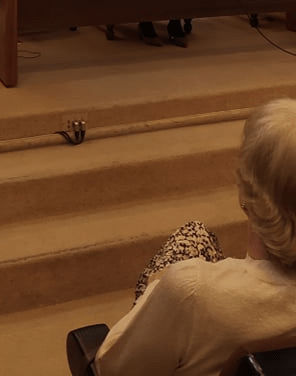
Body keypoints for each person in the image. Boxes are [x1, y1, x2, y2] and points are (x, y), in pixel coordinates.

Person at [95, 98, 296, 376]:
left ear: (248, 194)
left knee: (189, 238)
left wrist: (158, 287)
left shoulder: (192, 290)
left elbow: (109, 367)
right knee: (197, 235)